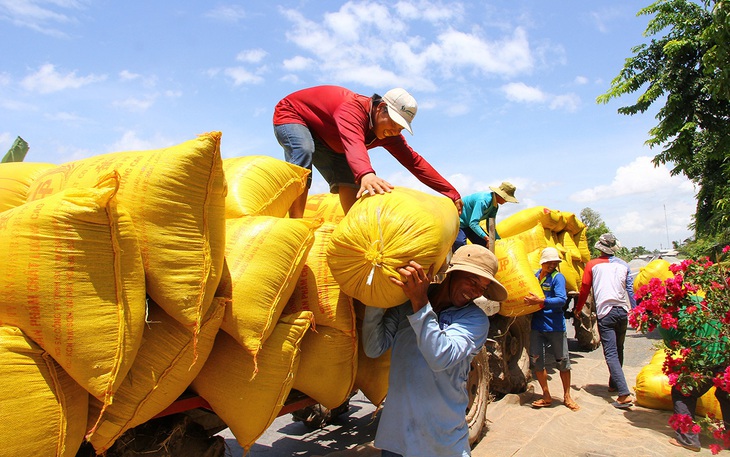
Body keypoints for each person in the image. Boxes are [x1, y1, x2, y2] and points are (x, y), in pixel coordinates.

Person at [361, 244, 508, 457]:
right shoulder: (406, 303)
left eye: (482, 288)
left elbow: (440, 357)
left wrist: (420, 301)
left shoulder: (475, 320)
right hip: (396, 440)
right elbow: (374, 349)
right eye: (472, 281)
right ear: (453, 272)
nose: (476, 292)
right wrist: (377, 297)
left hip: (441, 443)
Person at [273, 85, 463, 218]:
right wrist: (366, 173)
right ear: (381, 109)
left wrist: (451, 192)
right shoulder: (352, 108)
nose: (396, 131)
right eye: (394, 124)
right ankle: (296, 221)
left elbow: (414, 162)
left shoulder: (390, 135)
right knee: (303, 148)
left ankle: (354, 228)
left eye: (401, 128)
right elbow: (354, 142)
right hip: (294, 115)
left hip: (332, 138)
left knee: (349, 180)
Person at [659, 296, 730, 452]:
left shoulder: (665, 320)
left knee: (682, 392)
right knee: (725, 395)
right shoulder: (704, 302)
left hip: (705, 363)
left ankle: (688, 439)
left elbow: (674, 344)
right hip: (726, 360)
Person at [574, 233, 636, 408]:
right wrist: (637, 310)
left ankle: (623, 394)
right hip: (622, 312)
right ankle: (614, 384)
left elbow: (585, 288)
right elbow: (630, 291)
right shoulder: (624, 265)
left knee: (610, 353)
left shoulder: (592, 265)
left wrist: (578, 309)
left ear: (600, 248)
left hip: (606, 314)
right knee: (619, 348)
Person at [524, 247, 579, 411]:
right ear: (543, 262)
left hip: (555, 326)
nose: (552, 265)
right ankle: (546, 395)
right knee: (537, 360)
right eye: (550, 262)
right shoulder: (535, 276)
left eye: (555, 262)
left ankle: (567, 396)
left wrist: (541, 301)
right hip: (537, 325)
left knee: (562, 361)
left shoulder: (558, 278)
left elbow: (561, 300)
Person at [453, 182, 518, 252]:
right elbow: (473, 223)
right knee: (460, 246)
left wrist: (498, 240)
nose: (506, 201)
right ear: (500, 196)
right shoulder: (483, 201)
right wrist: (487, 238)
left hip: (470, 225)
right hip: (460, 222)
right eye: (506, 199)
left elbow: (490, 226)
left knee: (486, 245)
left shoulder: (494, 207)